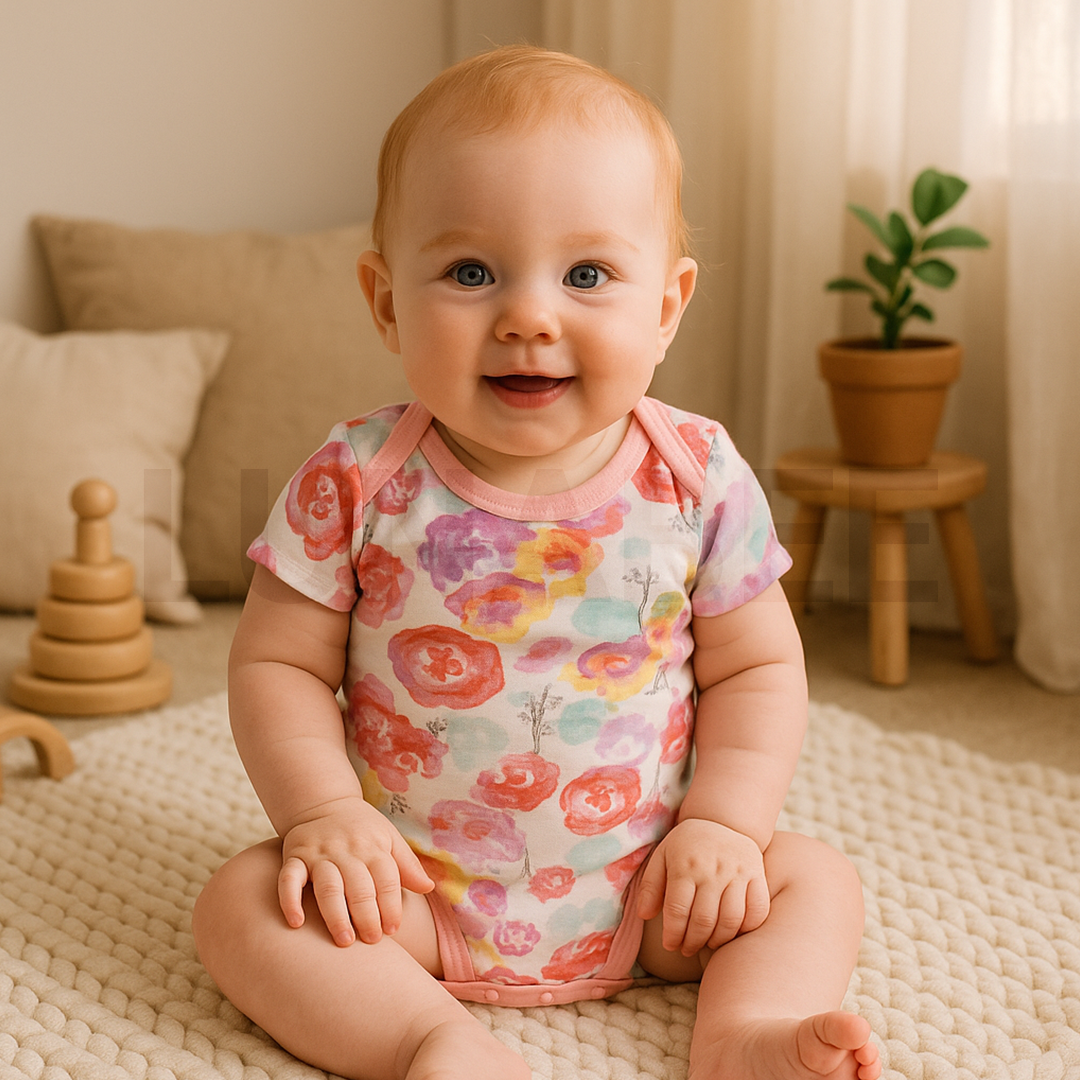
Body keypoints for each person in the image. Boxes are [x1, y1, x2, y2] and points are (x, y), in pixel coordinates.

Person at [192, 44, 881, 1080]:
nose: (528, 316)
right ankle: (431, 1040)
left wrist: (726, 828)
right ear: (386, 301)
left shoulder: (697, 476)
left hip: (657, 890)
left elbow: (758, 668)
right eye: (471, 273)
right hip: (411, 895)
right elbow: (277, 663)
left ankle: (744, 1034)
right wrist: (324, 819)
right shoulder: (357, 479)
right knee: (243, 905)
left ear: (666, 307)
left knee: (813, 881)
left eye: (587, 274)